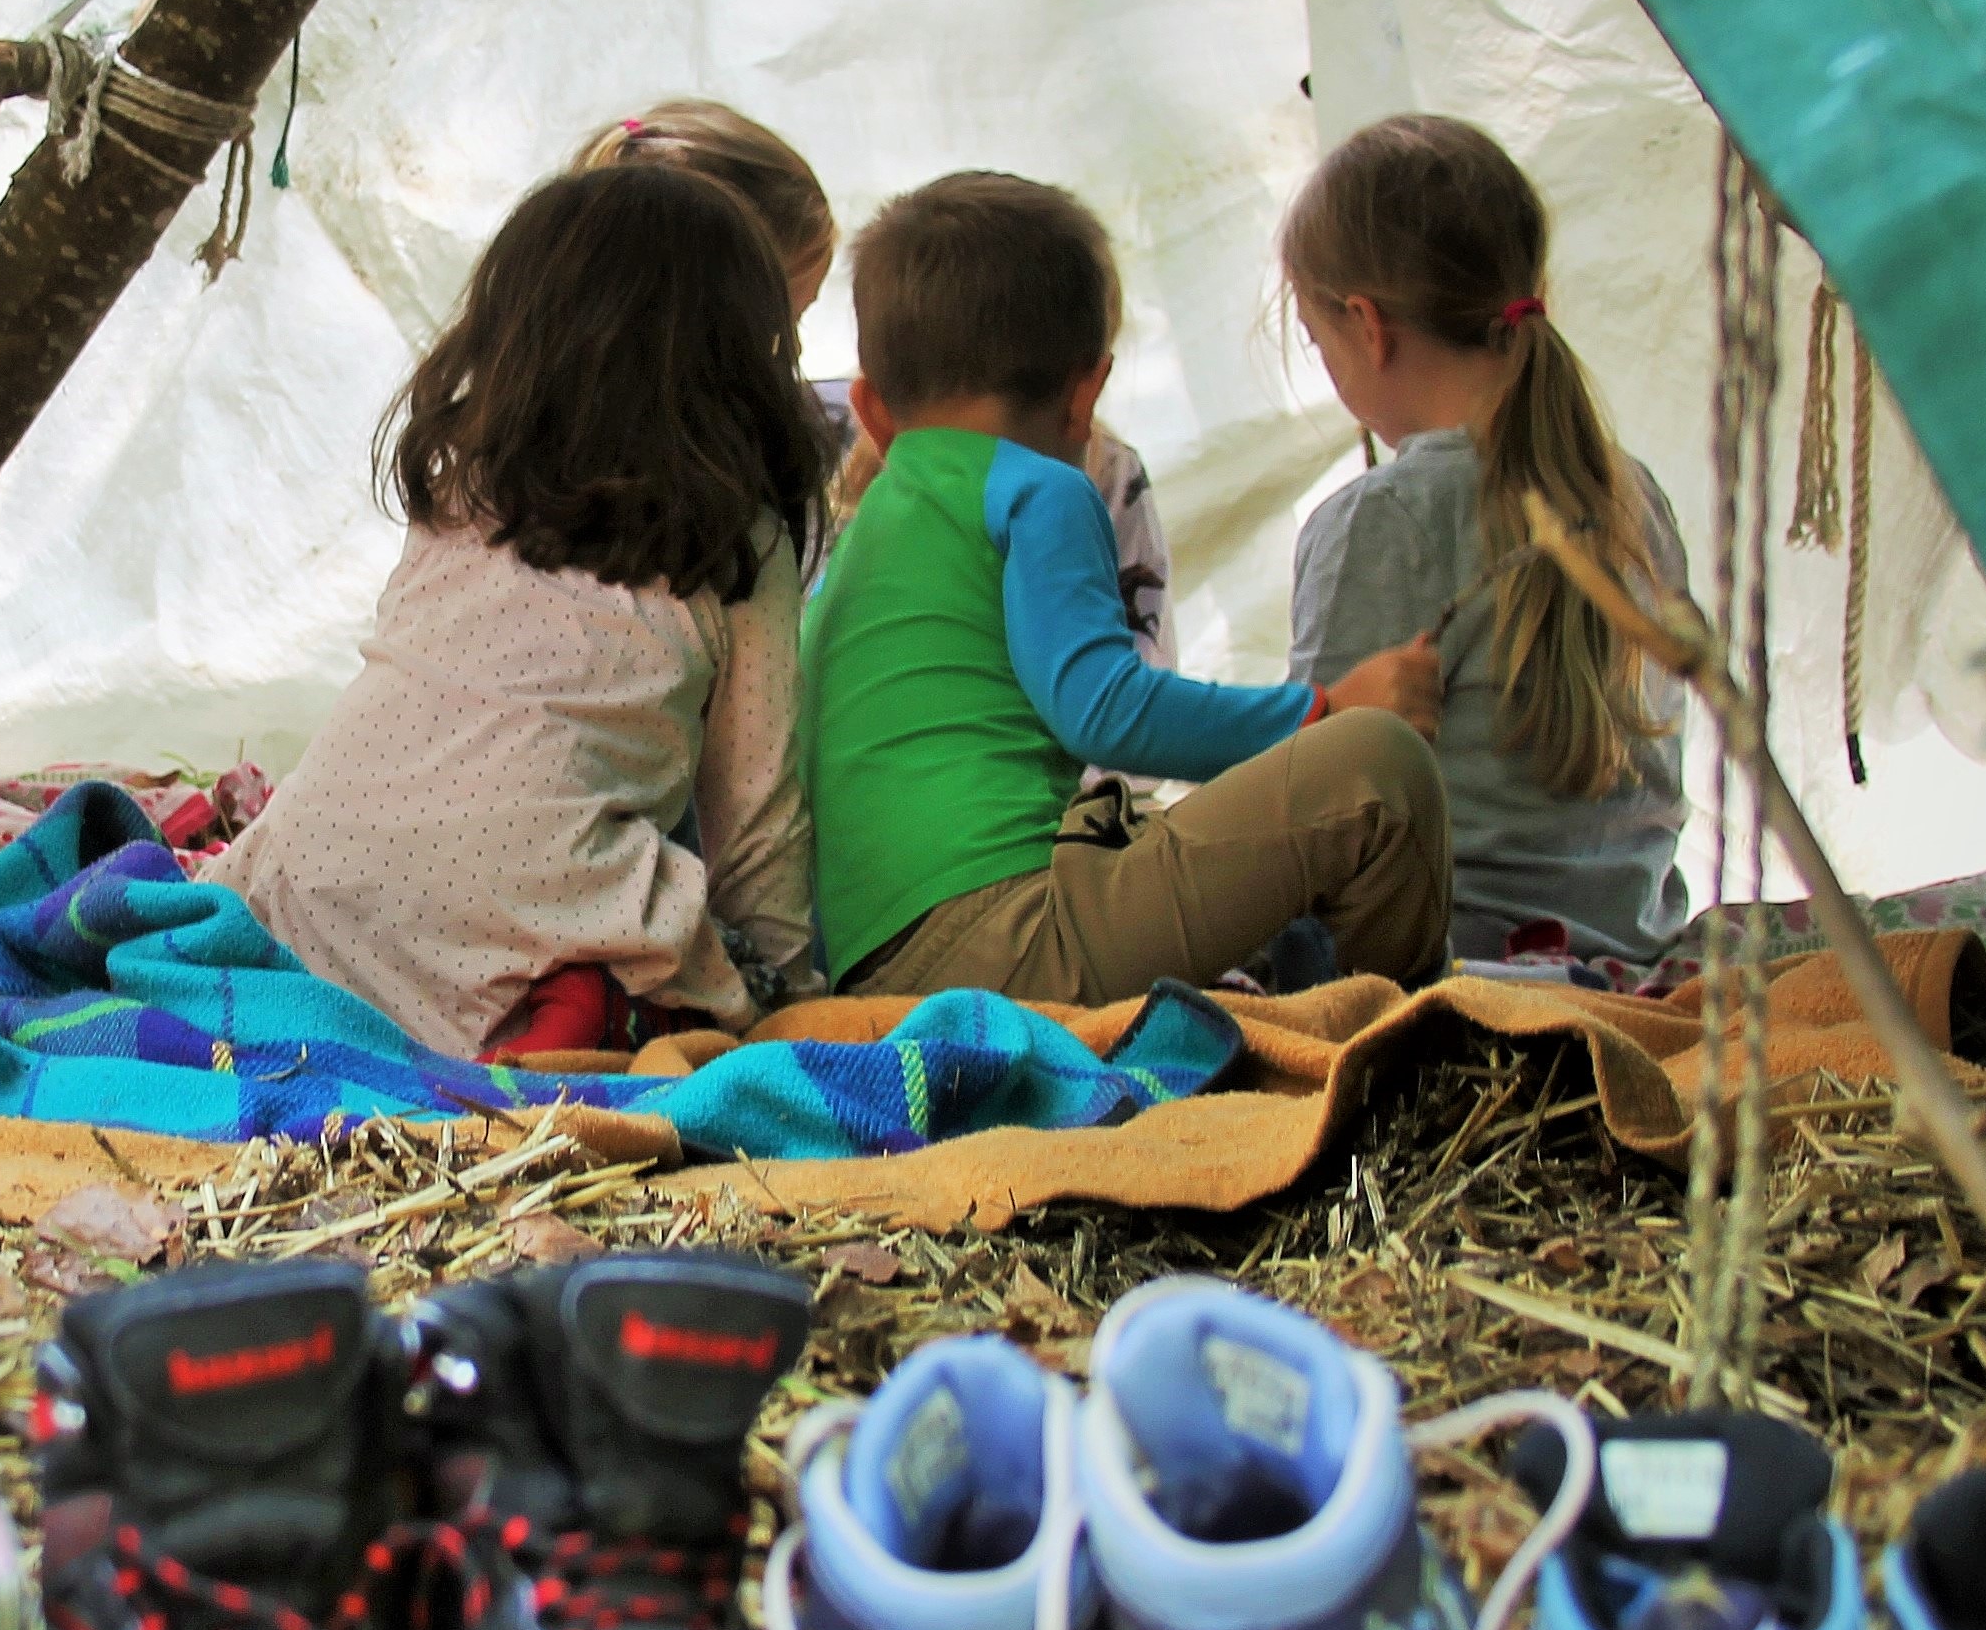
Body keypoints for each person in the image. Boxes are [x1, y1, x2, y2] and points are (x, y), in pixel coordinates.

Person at [216, 154, 830, 1060]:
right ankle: (582, 1017)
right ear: (744, 352)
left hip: (304, 888)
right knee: (692, 966)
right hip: (537, 899)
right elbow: (754, 822)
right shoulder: (737, 543)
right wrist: (784, 1008)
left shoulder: (459, 486)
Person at [802, 172, 1449, 1004]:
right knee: (1379, 773)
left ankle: (1316, 999)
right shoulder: (1037, 489)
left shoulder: (858, 537)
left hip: (871, 972)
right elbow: (1102, 708)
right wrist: (1323, 712)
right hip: (1011, 940)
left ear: (873, 408)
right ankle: (1406, 1043)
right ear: (1086, 396)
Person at [1279, 113, 1693, 965]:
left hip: (1450, 969)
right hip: (1630, 948)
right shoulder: (1631, 492)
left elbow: (1312, 813)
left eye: (1320, 342)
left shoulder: (1380, 520)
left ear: (1368, 326)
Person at [582, 106, 1181, 666]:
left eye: (796, 325)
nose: (789, 358)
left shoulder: (1099, 473)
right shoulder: (681, 482)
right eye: (773, 330)